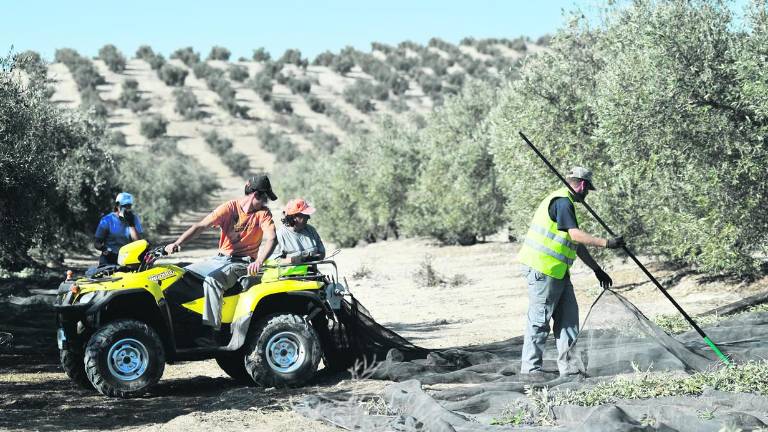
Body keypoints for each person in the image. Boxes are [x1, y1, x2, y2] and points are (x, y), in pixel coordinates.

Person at [517, 166, 624, 376]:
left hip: (559, 272)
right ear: (582, 185)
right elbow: (575, 236)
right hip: (543, 271)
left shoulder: (565, 204)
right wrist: (607, 243)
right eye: (587, 190)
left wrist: (596, 269)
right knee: (539, 323)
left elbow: (574, 243)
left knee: (568, 321)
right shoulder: (562, 202)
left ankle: (571, 370)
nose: (586, 196)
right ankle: (531, 372)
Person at [164, 175, 277, 344]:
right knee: (179, 274)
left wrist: (259, 261)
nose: (266, 202)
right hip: (219, 259)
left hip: (243, 263)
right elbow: (201, 226)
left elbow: (272, 239)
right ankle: (182, 327)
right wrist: (177, 243)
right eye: (265, 198)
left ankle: (213, 334)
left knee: (212, 280)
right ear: (256, 195)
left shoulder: (263, 214)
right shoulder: (230, 207)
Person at [270, 198, 325, 264]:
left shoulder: (311, 230)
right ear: (294, 217)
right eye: (305, 215)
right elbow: (273, 262)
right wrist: (293, 260)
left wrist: (314, 258)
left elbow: (322, 253)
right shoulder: (280, 236)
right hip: (288, 274)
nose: (308, 217)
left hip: (312, 273)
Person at [94, 192, 143, 266]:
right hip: (110, 257)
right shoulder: (107, 220)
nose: (127, 209)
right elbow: (97, 243)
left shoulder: (134, 219)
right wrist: (104, 248)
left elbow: (138, 242)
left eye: (129, 206)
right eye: (124, 206)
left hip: (127, 258)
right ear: (117, 205)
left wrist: (131, 224)